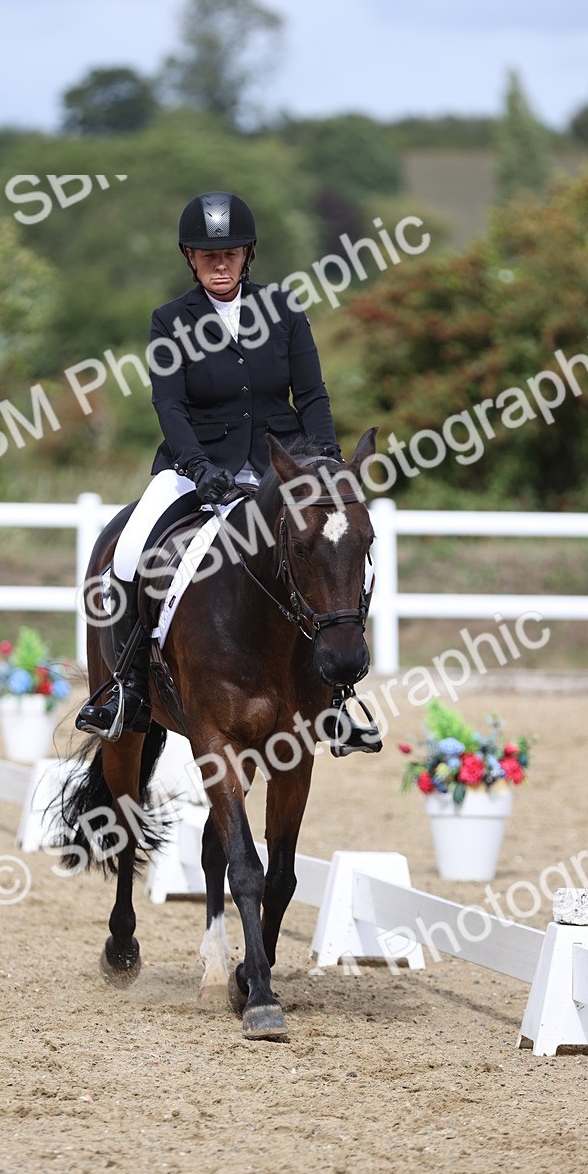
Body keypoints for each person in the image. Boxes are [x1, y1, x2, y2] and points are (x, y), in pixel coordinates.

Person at [75, 190, 381, 754]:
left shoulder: (285, 312)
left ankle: (337, 700)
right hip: (196, 469)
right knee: (126, 551)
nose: (221, 263)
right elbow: (169, 406)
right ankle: (128, 689)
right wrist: (197, 467)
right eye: (207, 254)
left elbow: (311, 394)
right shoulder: (169, 321)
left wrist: (329, 465)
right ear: (190, 257)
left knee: (338, 547)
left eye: (232, 253)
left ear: (248, 255)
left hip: (284, 469)